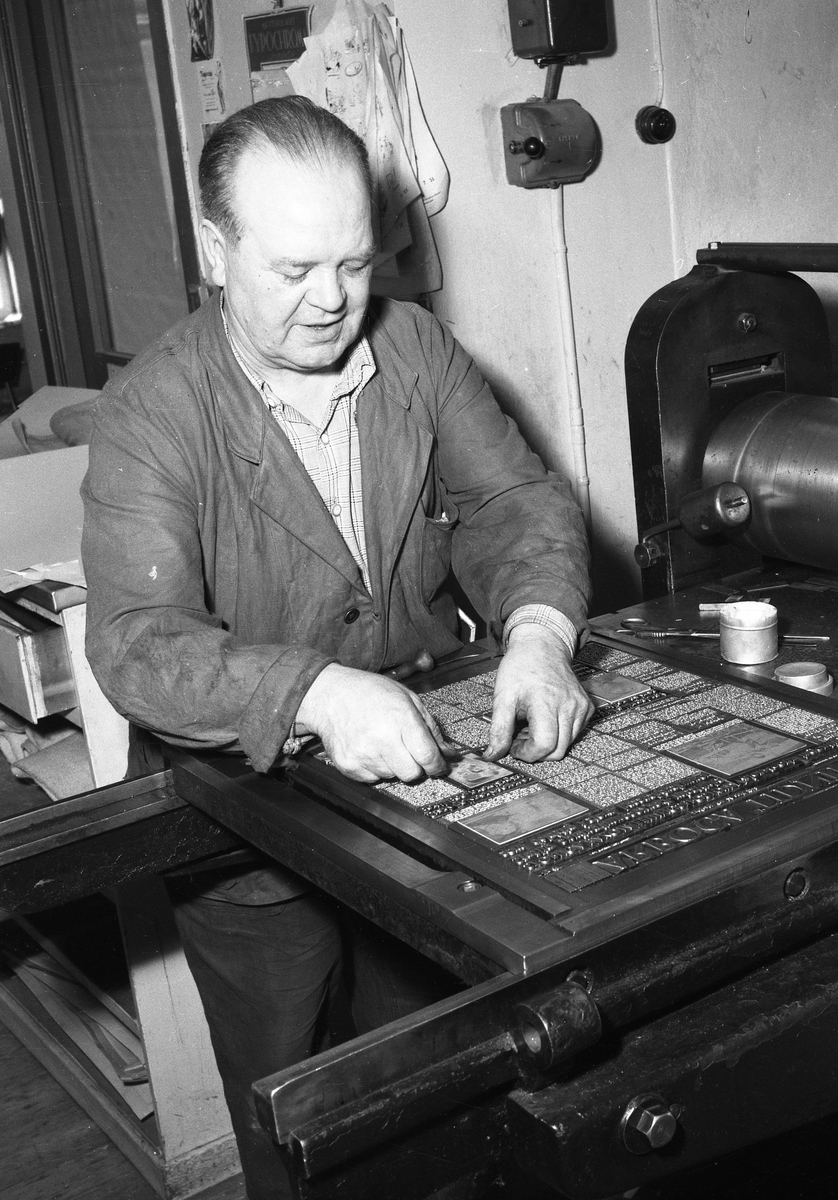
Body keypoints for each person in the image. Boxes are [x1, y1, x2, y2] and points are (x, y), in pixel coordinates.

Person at [81, 95, 591, 1198]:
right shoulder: (152, 410)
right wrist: (314, 691)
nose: (332, 300)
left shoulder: (414, 347)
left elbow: (512, 502)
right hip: (244, 830)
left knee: (428, 1078)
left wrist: (539, 635)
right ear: (216, 250)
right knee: (297, 1109)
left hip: (422, 794)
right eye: (295, 268)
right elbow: (138, 643)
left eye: (355, 263)